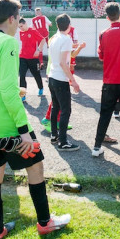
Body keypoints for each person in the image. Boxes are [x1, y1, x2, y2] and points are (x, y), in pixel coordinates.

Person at [0, 0, 70, 239]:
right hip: (9, 125)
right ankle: (45, 222)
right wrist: (24, 129)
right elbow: (7, 91)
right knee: (35, 167)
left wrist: (9, 91)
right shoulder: (9, 43)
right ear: (12, 18)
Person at [91, 2, 120, 158]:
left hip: (110, 81)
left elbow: (101, 56)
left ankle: (97, 147)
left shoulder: (103, 33)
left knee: (105, 114)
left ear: (107, 17)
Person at [47, 13, 81, 151]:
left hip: (52, 76)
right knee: (65, 110)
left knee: (56, 108)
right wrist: (73, 81)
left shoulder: (54, 38)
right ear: (69, 25)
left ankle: (54, 135)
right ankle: (63, 141)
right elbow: (63, 62)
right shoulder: (66, 39)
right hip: (60, 79)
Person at [18, 18, 46, 99]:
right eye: (19, 27)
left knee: (36, 74)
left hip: (33, 58)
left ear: (25, 23)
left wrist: (38, 50)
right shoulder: (21, 32)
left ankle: (40, 87)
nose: (21, 28)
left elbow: (43, 40)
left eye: (21, 26)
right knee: (22, 75)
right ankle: (22, 95)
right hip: (22, 57)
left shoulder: (33, 31)